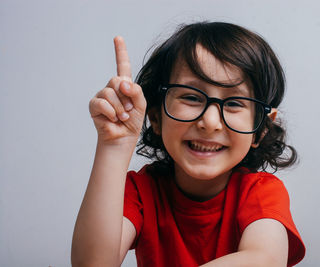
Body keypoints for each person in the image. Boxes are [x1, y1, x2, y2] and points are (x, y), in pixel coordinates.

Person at [71, 21, 306, 267]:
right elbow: (92, 263)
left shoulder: (260, 192)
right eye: (192, 97)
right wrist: (114, 147)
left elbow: (264, 259)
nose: (210, 122)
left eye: (235, 103)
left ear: (260, 130)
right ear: (156, 116)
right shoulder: (141, 192)